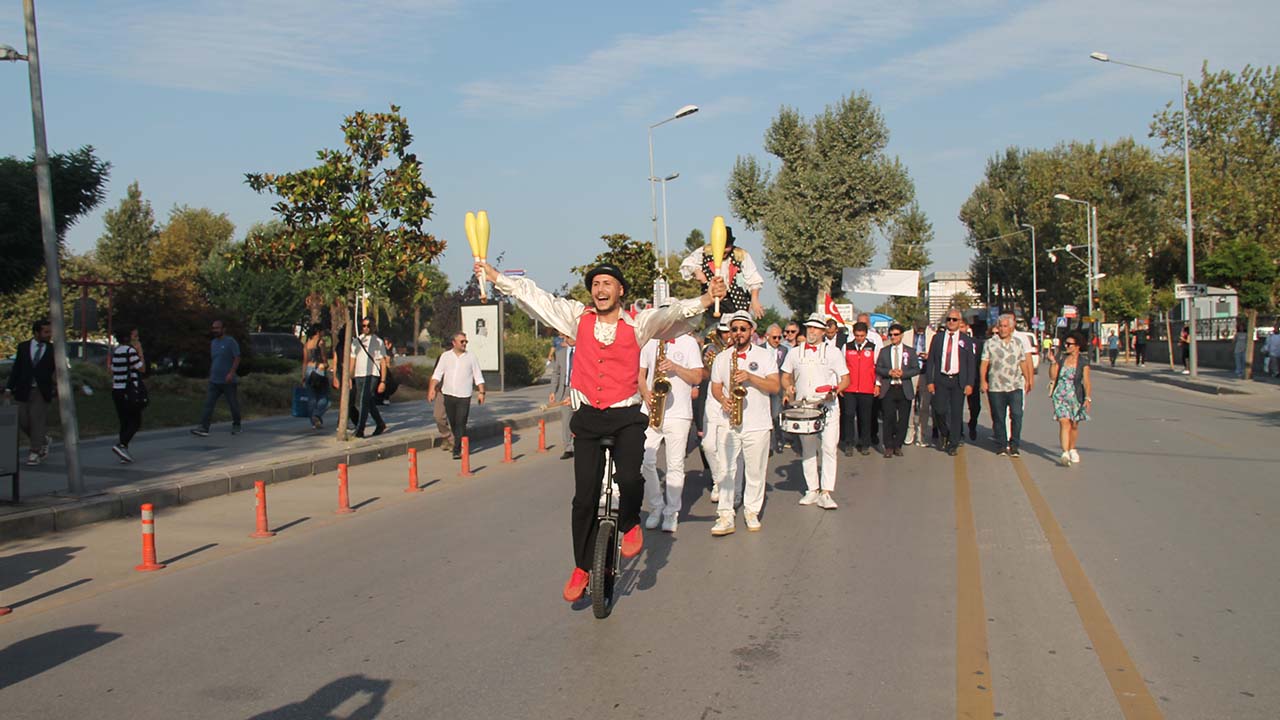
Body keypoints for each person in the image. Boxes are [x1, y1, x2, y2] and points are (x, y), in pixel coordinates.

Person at [479, 260, 725, 603]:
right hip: (589, 419)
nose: (601, 289)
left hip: (625, 416)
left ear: (620, 290)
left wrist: (704, 298)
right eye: (596, 284)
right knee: (584, 498)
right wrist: (496, 278)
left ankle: (628, 523)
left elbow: (673, 313)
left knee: (630, 477)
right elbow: (536, 297)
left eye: (608, 283)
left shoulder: (639, 324)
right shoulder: (577, 317)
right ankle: (582, 566)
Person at [710, 311, 780, 535]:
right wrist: (723, 400)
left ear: (751, 331)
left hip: (757, 423)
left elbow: (775, 386)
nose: (738, 333)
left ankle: (751, 510)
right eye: (734, 329)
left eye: (742, 329)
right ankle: (725, 514)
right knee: (726, 469)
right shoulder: (722, 357)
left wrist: (750, 377)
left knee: (755, 470)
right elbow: (715, 386)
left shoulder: (764, 356)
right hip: (729, 422)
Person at [639, 327, 704, 533]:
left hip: (678, 413)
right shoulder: (649, 341)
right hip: (650, 410)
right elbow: (641, 374)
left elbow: (697, 377)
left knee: (675, 465)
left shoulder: (689, 342)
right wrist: (645, 393)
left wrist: (675, 367)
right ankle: (657, 506)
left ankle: (671, 512)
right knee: (644, 461)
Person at [781, 313, 848, 506]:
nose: (811, 331)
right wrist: (788, 386)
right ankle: (812, 488)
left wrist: (835, 390)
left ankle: (826, 491)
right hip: (805, 406)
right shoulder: (795, 352)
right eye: (809, 327)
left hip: (828, 406)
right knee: (808, 449)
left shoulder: (833, 352)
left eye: (816, 328)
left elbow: (845, 379)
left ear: (823, 331)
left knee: (828, 448)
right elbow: (786, 375)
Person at [679, 225, 765, 319]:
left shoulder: (740, 255)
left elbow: (753, 279)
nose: (724, 250)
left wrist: (755, 300)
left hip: (737, 303)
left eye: (727, 246)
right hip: (712, 303)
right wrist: (699, 274)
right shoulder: (705, 252)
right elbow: (688, 264)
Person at [981, 314, 1034, 457]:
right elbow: (984, 363)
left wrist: (1028, 379)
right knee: (998, 416)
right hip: (996, 387)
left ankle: (1014, 444)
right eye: (1001, 326)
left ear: (1011, 328)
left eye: (1006, 326)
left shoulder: (1018, 343)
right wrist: (983, 381)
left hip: (1015, 385)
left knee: (1017, 415)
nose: (1003, 329)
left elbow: (1023, 361)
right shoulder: (990, 343)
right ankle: (1001, 445)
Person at [4, 319, 56, 465]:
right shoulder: (23, 347)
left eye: (50, 331)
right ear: (36, 332)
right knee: (23, 421)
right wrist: (9, 388)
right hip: (23, 390)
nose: (49, 335)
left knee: (36, 419)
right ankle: (43, 439)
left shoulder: (53, 349)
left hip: (41, 390)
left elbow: (57, 370)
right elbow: (17, 369)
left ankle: (35, 451)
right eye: (46, 332)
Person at [926, 309, 977, 456]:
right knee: (939, 410)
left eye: (955, 319)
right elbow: (931, 361)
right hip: (941, 379)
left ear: (960, 322)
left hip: (958, 380)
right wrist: (930, 380)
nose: (951, 322)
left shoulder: (966, 340)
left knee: (956, 413)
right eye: (949, 319)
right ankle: (945, 433)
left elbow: (970, 364)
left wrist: (969, 384)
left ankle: (953, 443)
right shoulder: (938, 338)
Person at [702, 321, 740, 504]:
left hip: (730, 402)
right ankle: (718, 480)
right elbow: (704, 373)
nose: (727, 336)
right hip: (713, 401)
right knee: (708, 445)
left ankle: (727, 485)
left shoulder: (740, 351)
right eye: (723, 333)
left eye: (729, 332)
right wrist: (708, 361)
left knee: (728, 447)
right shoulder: (712, 349)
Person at [429, 332, 485, 458]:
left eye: (466, 341)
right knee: (453, 422)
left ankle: (457, 449)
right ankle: (456, 442)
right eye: (462, 341)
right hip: (448, 394)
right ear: (454, 343)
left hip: (464, 395)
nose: (464, 344)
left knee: (461, 422)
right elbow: (437, 374)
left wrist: (481, 392)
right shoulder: (445, 356)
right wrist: (432, 389)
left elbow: (478, 376)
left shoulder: (471, 357)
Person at [875, 323, 919, 458]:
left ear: (901, 335)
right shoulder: (884, 351)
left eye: (896, 334)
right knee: (888, 418)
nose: (893, 337)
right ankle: (888, 446)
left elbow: (916, 369)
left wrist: (903, 373)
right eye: (891, 335)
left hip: (903, 387)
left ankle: (898, 445)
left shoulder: (910, 351)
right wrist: (889, 372)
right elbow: (878, 368)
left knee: (903, 419)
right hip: (889, 388)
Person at [191, 319, 241, 437]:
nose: (215, 330)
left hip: (228, 381)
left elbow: (237, 358)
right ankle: (204, 428)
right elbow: (215, 360)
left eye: (217, 328)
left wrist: (231, 373)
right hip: (214, 380)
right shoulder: (213, 343)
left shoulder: (230, 342)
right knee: (208, 404)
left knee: (233, 404)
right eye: (213, 328)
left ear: (224, 329)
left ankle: (237, 424)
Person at [1049, 330, 1092, 467]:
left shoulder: (1083, 362)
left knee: (1074, 424)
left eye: (1069, 344)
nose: (1066, 346)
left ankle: (1072, 448)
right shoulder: (1061, 359)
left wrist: (1087, 398)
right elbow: (1053, 376)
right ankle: (1065, 452)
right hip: (1060, 394)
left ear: (1077, 346)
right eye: (1065, 344)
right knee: (1064, 422)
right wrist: (1053, 362)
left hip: (1076, 396)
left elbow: (1086, 381)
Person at [840, 321, 878, 456]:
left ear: (866, 335)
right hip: (850, 388)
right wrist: (841, 386)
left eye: (862, 335)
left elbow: (877, 367)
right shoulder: (847, 346)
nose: (859, 338)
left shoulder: (873, 347)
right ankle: (849, 443)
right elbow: (841, 367)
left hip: (866, 388)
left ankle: (865, 443)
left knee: (865, 417)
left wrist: (877, 384)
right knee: (849, 415)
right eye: (857, 335)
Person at [109, 326, 146, 463]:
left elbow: (112, 370)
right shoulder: (130, 351)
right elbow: (142, 368)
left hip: (117, 389)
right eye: (135, 337)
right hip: (128, 390)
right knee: (136, 421)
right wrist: (140, 351)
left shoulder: (116, 351)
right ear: (128, 338)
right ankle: (122, 445)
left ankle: (123, 452)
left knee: (124, 421)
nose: (137, 340)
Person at [349, 317, 388, 438]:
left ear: (373, 327)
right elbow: (352, 360)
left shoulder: (378, 342)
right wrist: (349, 377)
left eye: (368, 326)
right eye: (364, 326)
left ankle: (360, 429)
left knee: (363, 401)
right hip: (359, 374)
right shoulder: (357, 341)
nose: (366, 328)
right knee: (366, 401)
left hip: (372, 375)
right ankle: (380, 423)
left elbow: (383, 362)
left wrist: (383, 381)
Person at [903, 319, 935, 447]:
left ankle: (922, 433)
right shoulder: (906, 335)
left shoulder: (933, 336)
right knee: (909, 403)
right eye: (919, 327)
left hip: (926, 372)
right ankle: (910, 429)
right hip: (911, 372)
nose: (921, 330)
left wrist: (928, 356)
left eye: (923, 328)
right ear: (914, 325)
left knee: (924, 405)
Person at [763, 323, 792, 453]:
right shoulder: (759, 349)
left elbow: (787, 372)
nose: (777, 340)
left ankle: (779, 438)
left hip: (778, 388)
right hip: (763, 387)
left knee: (776, 415)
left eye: (780, 337)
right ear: (767, 336)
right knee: (764, 417)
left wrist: (786, 391)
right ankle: (767, 445)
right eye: (774, 337)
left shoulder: (784, 350)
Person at [548, 334, 575, 459]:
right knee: (566, 420)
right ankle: (568, 447)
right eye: (567, 337)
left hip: (579, 390)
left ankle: (581, 444)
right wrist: (553, 391)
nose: (567, 339)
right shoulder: (561, 353)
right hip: (565, 389)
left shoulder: (583, 352)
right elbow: (556, 373)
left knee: (581, 418)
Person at [301, 326, 330, 429]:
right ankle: (316, 415)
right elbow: (324, 357)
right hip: (319, 370)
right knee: (324, 398)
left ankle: (314, 422)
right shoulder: (321, 342)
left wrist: (303, 376)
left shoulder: (306, 344)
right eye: (322, 331)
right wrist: (326, 364)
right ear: (318, 332)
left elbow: (304, 362)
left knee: (312, 398)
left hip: (309, 370)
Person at [962, 318, 986, 442]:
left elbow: (982, 361)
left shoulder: (976, 343)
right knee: (956, 406)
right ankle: (958, 430)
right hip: (958, 379)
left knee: (975, 406)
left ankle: (973, 424)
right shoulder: (952, 343)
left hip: (974, 378)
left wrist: (983, 379)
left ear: (967, 327)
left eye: (962, 326)